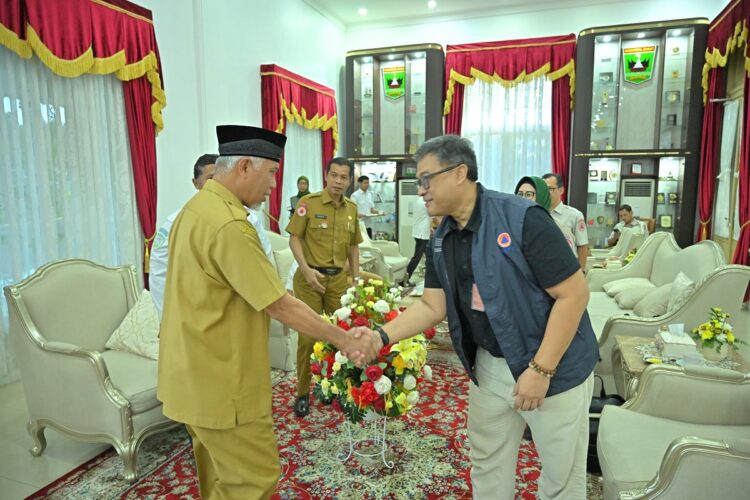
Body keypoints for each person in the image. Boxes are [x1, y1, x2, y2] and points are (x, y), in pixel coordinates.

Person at [364, 135, 597, 499]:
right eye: (418, 182)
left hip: (555, 367)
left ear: (460, 173)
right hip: (490, 365)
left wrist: (541, 370)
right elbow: (431, 306)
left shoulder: (522, 219)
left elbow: (574, 294)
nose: (420, 190)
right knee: (487, 463)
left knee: (560, 476)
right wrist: (380, 336)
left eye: (427, 179)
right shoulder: (442, 236)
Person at [157, 126, 379, 500]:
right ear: (244, 166)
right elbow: (278, 303)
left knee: (217, 480)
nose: (275, 185)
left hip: (189, 377)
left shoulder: (194, 211)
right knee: (254, 481)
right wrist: (343, 339)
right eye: (272, 172)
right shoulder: (229, 225)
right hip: (224, 385)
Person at [149, 154, 273, 319]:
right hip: (195, 314)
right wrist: (167, 318)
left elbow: (266, 260)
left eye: (219, 177)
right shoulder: (177, 220)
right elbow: (159, 272)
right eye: (210, 178)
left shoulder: (248, 217)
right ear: (195, 183)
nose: (216, 183)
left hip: (241, 309)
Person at [286, 157, 363, 418]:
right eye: (335, 176)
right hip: (310, 279)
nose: (338, 181)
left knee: (338, 335)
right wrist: (306, 270)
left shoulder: (352, 208)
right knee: (308, 338)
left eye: (344, 177)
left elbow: (353, 246)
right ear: (326, 176)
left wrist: (355, 279)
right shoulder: (308, 203)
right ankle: (302, 392)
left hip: (338, 281)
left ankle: (330, 387)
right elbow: (294, 237)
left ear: (350, 181)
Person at [515, 176, 577, 256]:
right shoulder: (514, 225)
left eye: (529, 194)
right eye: (520, 194)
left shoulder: (558, 228)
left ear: (542, 196)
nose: (523, 199)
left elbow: (569, 264)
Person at [542, 173, 589, 270]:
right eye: (543, 190)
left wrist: (581, 271)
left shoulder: (575, 215)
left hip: (568, 267)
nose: (546, 193)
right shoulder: (538, 213)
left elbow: (582, 246)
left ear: (561, 190)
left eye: (550, 189)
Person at [404, 197, 431, 286]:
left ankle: (430, 278)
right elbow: (434, 216)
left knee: (430, 256)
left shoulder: (420, 200)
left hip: (419, 231)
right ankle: (405, 279)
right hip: (422, 233)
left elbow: (424, 216)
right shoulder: (427, 200)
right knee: (417, 257)